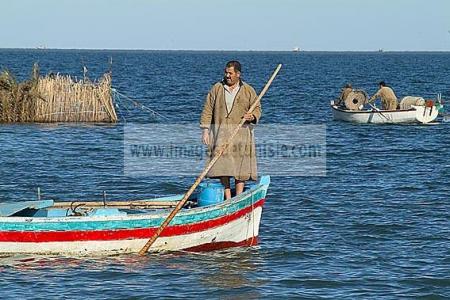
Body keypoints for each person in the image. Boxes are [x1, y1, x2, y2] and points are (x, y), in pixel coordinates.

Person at [200, 61, 261, 200]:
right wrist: (205, 130)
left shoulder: (248, 90)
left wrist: (252, 116)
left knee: (241, 166)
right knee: (223, 165)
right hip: (221, 133)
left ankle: (238, 197)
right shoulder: (217, 88)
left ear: (238, 74)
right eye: (226, 72)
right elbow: (208, 109)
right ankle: (228, 197)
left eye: (230, 73)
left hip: (241, 134)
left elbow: (257, 108)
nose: (227, 75)